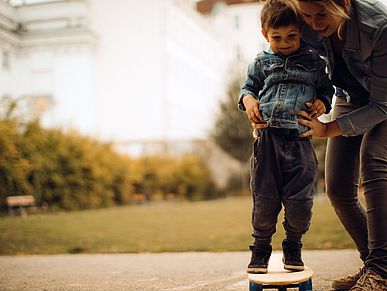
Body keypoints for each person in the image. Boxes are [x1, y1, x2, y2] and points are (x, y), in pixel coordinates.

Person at [263, 0, 386, 289]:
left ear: (343, 3)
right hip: (350, 96)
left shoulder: (378, 26)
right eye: (306, 16)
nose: (314, 23)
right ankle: (374, 265)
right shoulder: (302, 21)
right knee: (339, 188)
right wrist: (261, 105)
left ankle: (381, 271)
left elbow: (382, 104)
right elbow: (285, 60)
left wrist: (328, 128)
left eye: (321, 14)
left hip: (384, 101)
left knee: (373, 160)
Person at [238, 0, 334, 274]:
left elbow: (326, 91)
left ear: (301, 31)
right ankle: (260, 249)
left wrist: (322, 104)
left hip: (300, 141)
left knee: (300, 203)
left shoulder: (314, 62)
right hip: (267, 142)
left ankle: (293, 244)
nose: (285, 42)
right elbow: (247, 89)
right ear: (265, 34)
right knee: (265, 199)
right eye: (277, 37)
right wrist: (248, 101)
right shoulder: (261, 62)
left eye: (291, 36)